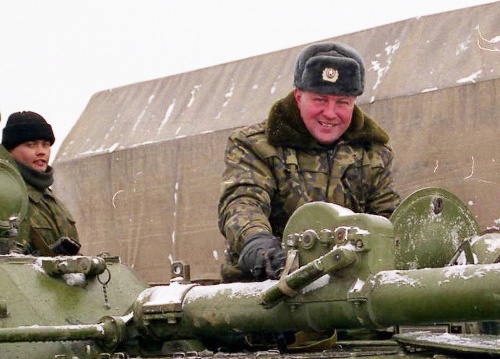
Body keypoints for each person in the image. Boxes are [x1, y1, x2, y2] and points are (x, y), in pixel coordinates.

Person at [218, 42, 400, 282]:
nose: (330, 113)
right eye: (320, 100)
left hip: (346, 288)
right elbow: (243, 203)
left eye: (342, 103)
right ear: (298, 97)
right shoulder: (255, 145)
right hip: (266, 288)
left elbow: (386, 218)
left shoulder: (372, 152)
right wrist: (257, 244)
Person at [2, 111, 81, 256]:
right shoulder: (7, 195)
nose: (41, 152)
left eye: (46, 145)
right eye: (30, 145)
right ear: (10, 150)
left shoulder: (51, 200)